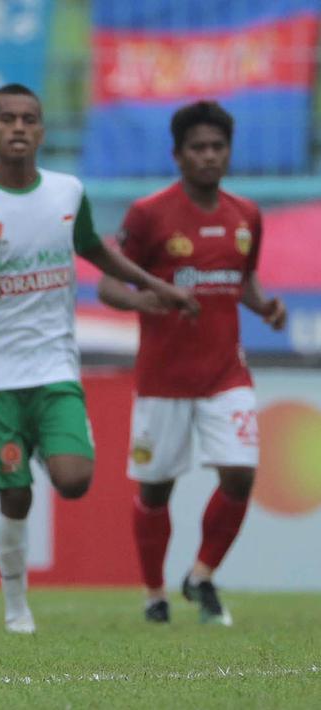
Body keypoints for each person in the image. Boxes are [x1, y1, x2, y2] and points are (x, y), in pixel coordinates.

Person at [0, 84, 197, 634]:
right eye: (6, 119)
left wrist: (160, 287)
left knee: (75, 478)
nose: (18, 127)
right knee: (15, 495)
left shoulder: (67, 192)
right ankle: (16, 605)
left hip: (56, 367)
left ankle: (39, 447)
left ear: (42, 130)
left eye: (29, 119)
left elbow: (97, 250)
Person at [98, 101, 287, 626]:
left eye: (217, 147)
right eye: (198, 148)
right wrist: (144, 301)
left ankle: (201, 576)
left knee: (240, 474)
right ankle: (155, 592)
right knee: (157, 488)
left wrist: (264, 304)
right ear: (178, 155)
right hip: (163, 381)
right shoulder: (149, 214)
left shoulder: (247, 215)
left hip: (227, 373)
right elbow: (111, 283)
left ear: (228, 152)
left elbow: (238, 279)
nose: (209, 156)